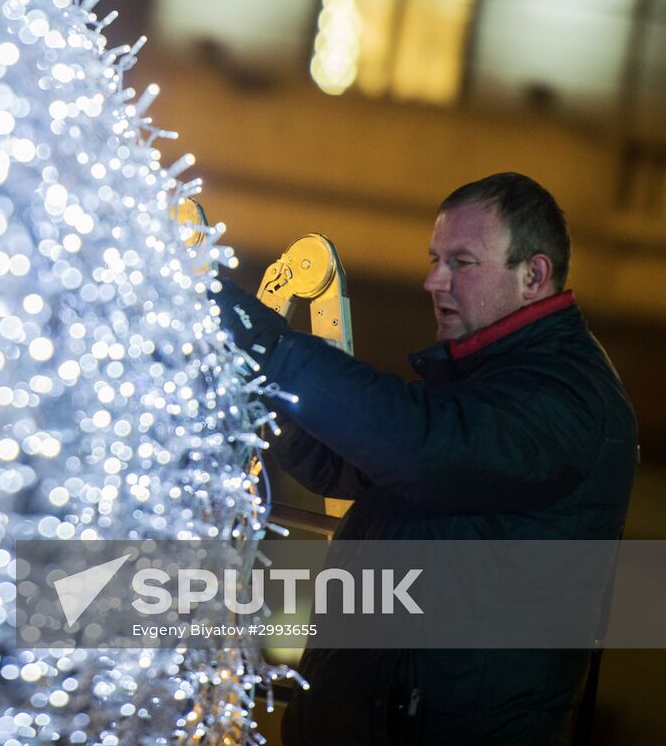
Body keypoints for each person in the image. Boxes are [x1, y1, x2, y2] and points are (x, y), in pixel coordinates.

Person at [211, 172, 638, 745]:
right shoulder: (488, 382)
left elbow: (419, 448)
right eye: (435, 258)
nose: (433, 280)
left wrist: (266, 342)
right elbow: (344, 465)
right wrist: (261, 382)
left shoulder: (566, 397)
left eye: (461, 262)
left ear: (532, 275)